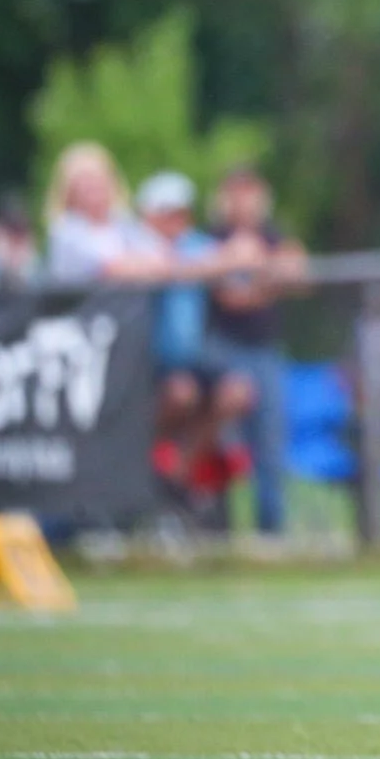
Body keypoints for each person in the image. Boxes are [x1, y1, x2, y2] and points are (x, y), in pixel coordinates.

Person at [136, 171, 257, 531]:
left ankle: (176, 472)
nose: (178, 220)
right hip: (145, 361)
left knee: (238, 392)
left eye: (182, 212)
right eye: (169, 212)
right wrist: (208, 264)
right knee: (180, 395)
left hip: (191, 356)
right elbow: (156, 268)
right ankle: (143, 468)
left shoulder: (195, 243)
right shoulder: (136, 243)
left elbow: (242, 259)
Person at [204, 165, 309, 540]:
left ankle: (272, 530)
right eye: (237, 191)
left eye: (251, 191)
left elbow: (299, 274)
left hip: (266, 351)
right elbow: (233, 297)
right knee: (223, 442)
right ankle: (214, 526)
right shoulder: (212, 238)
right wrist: (271, 276)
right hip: (223, 351)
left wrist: (258, 271)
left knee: (270, 444)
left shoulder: (272, 234)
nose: (245, 200)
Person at [42, 142, 169, 284]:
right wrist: (139, 264)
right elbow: (106, 268)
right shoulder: (65, 230)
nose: (93, 188)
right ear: (70, 189)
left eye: (97, 180)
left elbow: (162, 258)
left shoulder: (124, 223)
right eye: (85, 182)